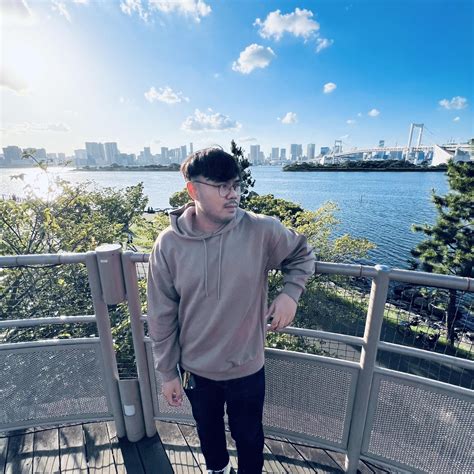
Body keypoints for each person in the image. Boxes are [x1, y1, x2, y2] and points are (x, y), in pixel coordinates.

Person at [147, 148, 315, 473]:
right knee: (208, 434)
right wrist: (167, 373)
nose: (233, 194)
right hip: (196, 369)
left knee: (249, 437)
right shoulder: (168, 245)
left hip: (247, 367)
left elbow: (302, 253)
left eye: (236, 185)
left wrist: (290, 294)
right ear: (193, 190)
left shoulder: (260, 230)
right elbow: (161, 315)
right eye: (221, 186)